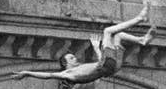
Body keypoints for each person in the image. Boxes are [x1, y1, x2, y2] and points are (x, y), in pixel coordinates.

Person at [10, 5, 152, 84]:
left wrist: (97, 48)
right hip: (110, 66)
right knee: (108, 31)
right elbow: (48, 75)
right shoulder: (68, 74)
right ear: (65, 64)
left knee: (118, 35)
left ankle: (142, 40)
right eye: (71, 59)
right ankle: (140, 19)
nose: (75, 59)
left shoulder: (80, 69)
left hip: (113, 67)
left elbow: (101, 65)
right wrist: (27, 73)